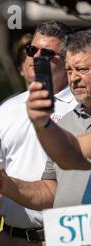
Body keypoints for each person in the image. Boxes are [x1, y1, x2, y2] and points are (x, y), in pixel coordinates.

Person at [0, 20, 76, 246]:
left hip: (64, 243)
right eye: (32, 49)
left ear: (66, 61)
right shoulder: (8, 109)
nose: (36, 58)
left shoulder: (82, 110)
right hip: (12, 243)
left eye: (48, 54)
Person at [24, 29, 91, 173]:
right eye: (69, 70)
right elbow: (50, 190)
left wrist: (43, 123)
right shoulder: (67, 120)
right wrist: (9, 185)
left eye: (83, 69)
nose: (73, 78)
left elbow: (73, 155)